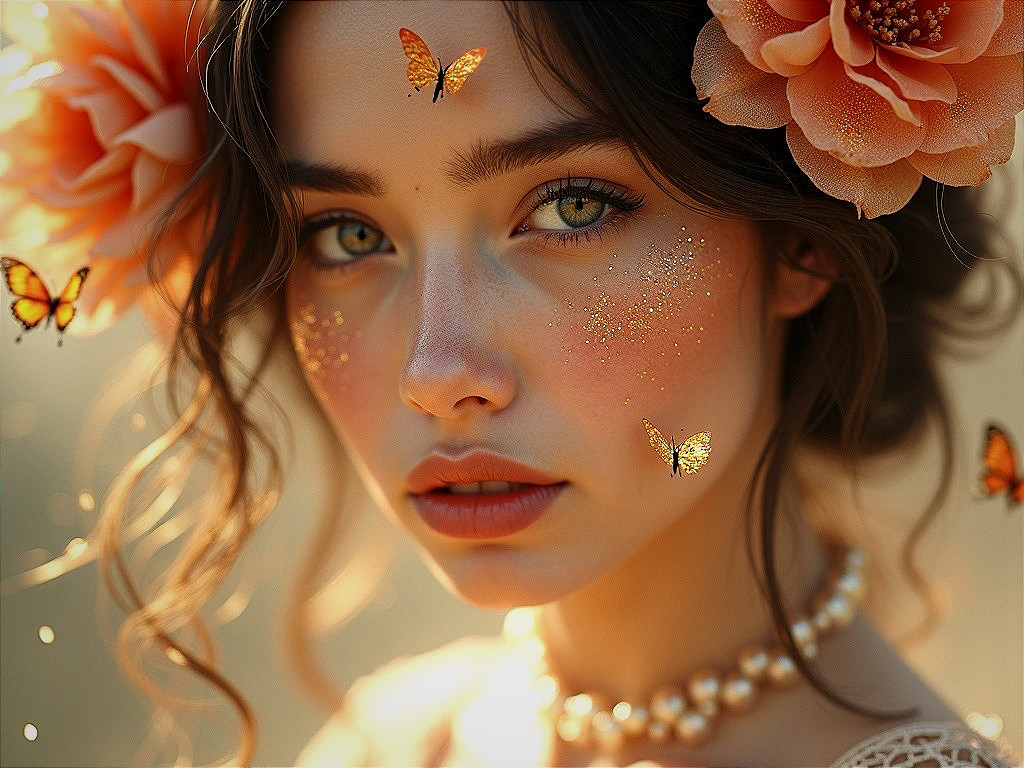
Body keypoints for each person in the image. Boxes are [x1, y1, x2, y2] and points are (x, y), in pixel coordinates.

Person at [1, 1, 1021, 766]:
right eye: (345, 235)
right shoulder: (398, 739)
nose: (436, 374)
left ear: (806, 237)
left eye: (572, 208)